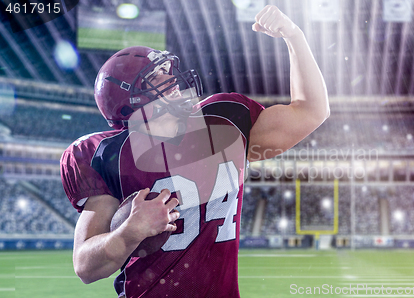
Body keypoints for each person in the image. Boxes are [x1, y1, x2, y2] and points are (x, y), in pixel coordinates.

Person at [60, 5, 329, 298]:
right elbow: (85, 267)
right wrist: (130, 231)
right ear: (130, 101)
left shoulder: (224, 120)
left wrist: (294, 36)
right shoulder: (106, 154)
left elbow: (311, 111)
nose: (173, 80)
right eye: (157, 77)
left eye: (167, 70)